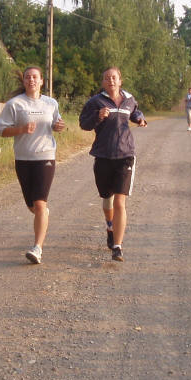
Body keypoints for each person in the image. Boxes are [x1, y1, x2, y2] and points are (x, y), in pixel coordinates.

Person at [0, 66, 66, 264]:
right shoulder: (14, 104)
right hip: (23, 159)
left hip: (45, 156)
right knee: (32, 206)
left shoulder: (51, 103)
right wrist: (21, 129)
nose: (31, 80)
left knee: (40, 203)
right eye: (28, 77)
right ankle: (42, 215)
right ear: (24, 81)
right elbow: (3, 131)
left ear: (42, 81)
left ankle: (37, 248)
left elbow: (57, 123)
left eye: (35, 77)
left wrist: (59, 126)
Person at [79, 67, 147, 262]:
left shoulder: (129, 99)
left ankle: (117, 246)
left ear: (120, 80)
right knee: (107, 198)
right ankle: (110, 226)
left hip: (125, 155)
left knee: (119, 201)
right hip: (103, 155)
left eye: (114, 77)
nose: (111, 80)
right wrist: (98, 116)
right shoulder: (95, 102)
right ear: (103, 83)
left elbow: (135, 112)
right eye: (107, 78)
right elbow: (84, 124)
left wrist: (140, 118)